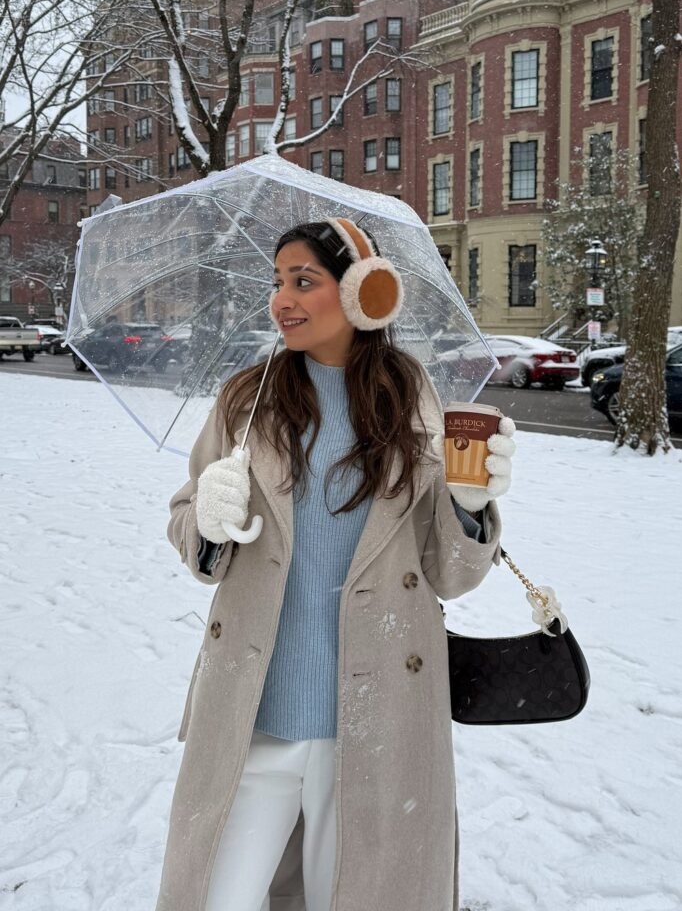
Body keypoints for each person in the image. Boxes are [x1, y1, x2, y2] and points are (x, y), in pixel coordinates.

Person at [154, 218, 515, 911]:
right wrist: (203, 520)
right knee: (211, 896)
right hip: (253, 714)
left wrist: (467, 507)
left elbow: (448, 575)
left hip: (376, 720)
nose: (281, 299)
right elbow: (190, 531)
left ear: (363, 294)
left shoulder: (410, 398)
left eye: (303, 281)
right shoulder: (244, 399)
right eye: (276, 282)